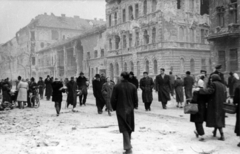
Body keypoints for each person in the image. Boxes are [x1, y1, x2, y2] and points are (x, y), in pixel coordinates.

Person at [111, 72, 138, 154]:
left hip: (121, 109)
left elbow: (113, 99)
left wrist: (114, 107)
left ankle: (128, 148)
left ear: (122, 77)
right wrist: (135, 105)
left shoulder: (117, 86)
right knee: (129, 126)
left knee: (124, 127)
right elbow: (135, 98)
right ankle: (129, 143)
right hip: (130, 109)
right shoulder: (133, 86)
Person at [198, 74, 226, 141]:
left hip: (214, 104)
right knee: (218, 118)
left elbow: (209, 91)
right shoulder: (222, 85)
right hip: (221, 104)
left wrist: (200, 90)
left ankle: (222, 135)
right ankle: (214, 132)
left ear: (214, 78)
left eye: (211, 78)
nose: (210, 79)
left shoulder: (214, 84)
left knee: (216, 119)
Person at [190, 76, 208, 141]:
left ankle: (202, 135)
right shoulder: (205, 91)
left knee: (197, 121)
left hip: (197, 108)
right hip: (203, 108)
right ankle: (197, 131)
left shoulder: (196, 91)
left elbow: (194, 100)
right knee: (200, 121)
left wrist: (190, 101)